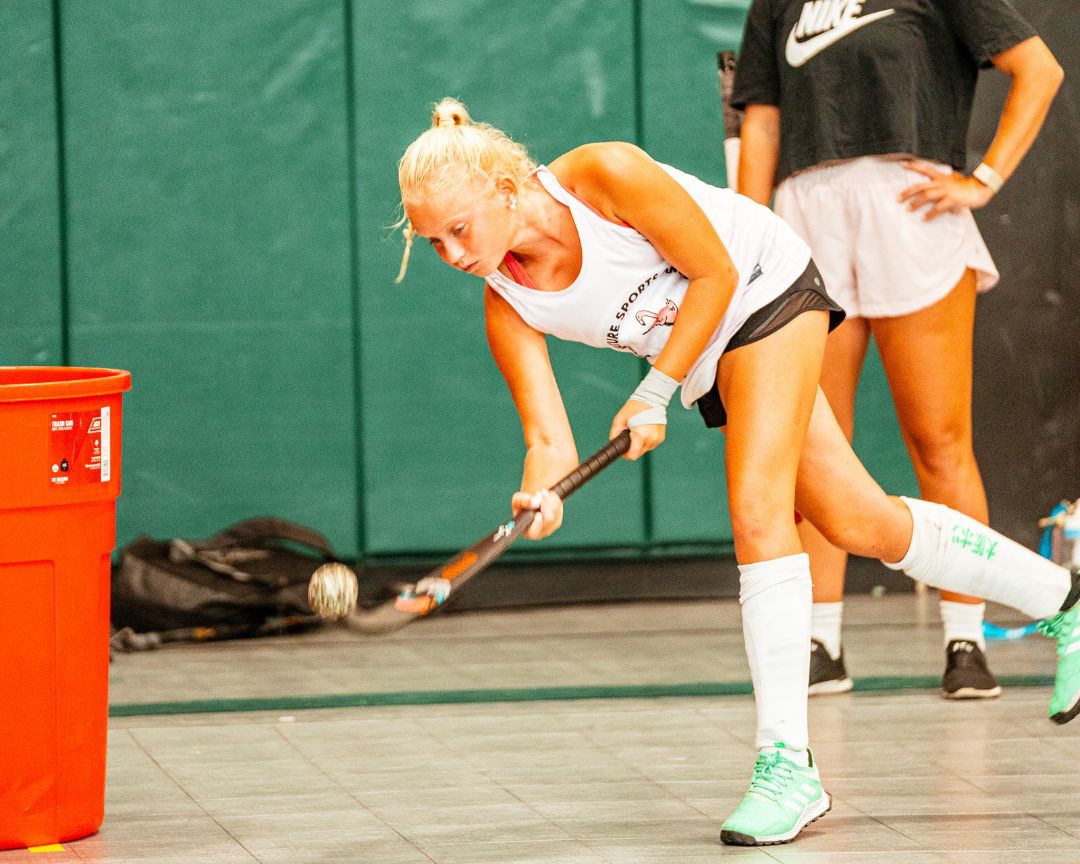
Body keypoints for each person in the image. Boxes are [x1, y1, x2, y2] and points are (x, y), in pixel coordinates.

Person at [394, 98, 1079, 847]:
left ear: (504, 187)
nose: (454, 255)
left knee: (760, 512)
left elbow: (714, 272)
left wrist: (653, 391)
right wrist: (541, 491)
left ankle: (788, 766)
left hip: (760, 283)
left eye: (458, 230)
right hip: (709, 353)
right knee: (859, 519)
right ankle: (1066, 601)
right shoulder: (506, 305)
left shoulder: (601, 173)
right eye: (433, 244)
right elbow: (547, 439)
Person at [732, 0, 1064, 700]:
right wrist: (746, 237)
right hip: (804, 215)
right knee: (811, 445)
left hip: (909, 206)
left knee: (940, 439)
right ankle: (821, 641)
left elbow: (1039, 67)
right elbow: (761, 119)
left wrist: (986, 179)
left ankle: (964, 638)